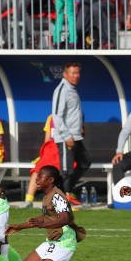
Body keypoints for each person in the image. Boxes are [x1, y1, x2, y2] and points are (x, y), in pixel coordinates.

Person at [52, 62, 91, 205]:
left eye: (78, 73)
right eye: (73, 73)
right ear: (65, 74)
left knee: (85, 162)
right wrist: (66, 136)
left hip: (76, 135)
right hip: (65, 137)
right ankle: (60, 199)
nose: (76, 76)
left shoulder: (72, 89)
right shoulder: (62, 89)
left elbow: (74, 112)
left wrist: (81, 125)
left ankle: (68, 191)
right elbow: (56, 115)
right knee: (65, 170)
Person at [23, 114, 60, 208]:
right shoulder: (51, 117)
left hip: (63, 150)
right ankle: (28, 200)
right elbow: (47, 140)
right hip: (50, 150)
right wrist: (43, 155)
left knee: (60, 172)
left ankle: (57, 200)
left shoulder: (72, 116)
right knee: (38, 170)